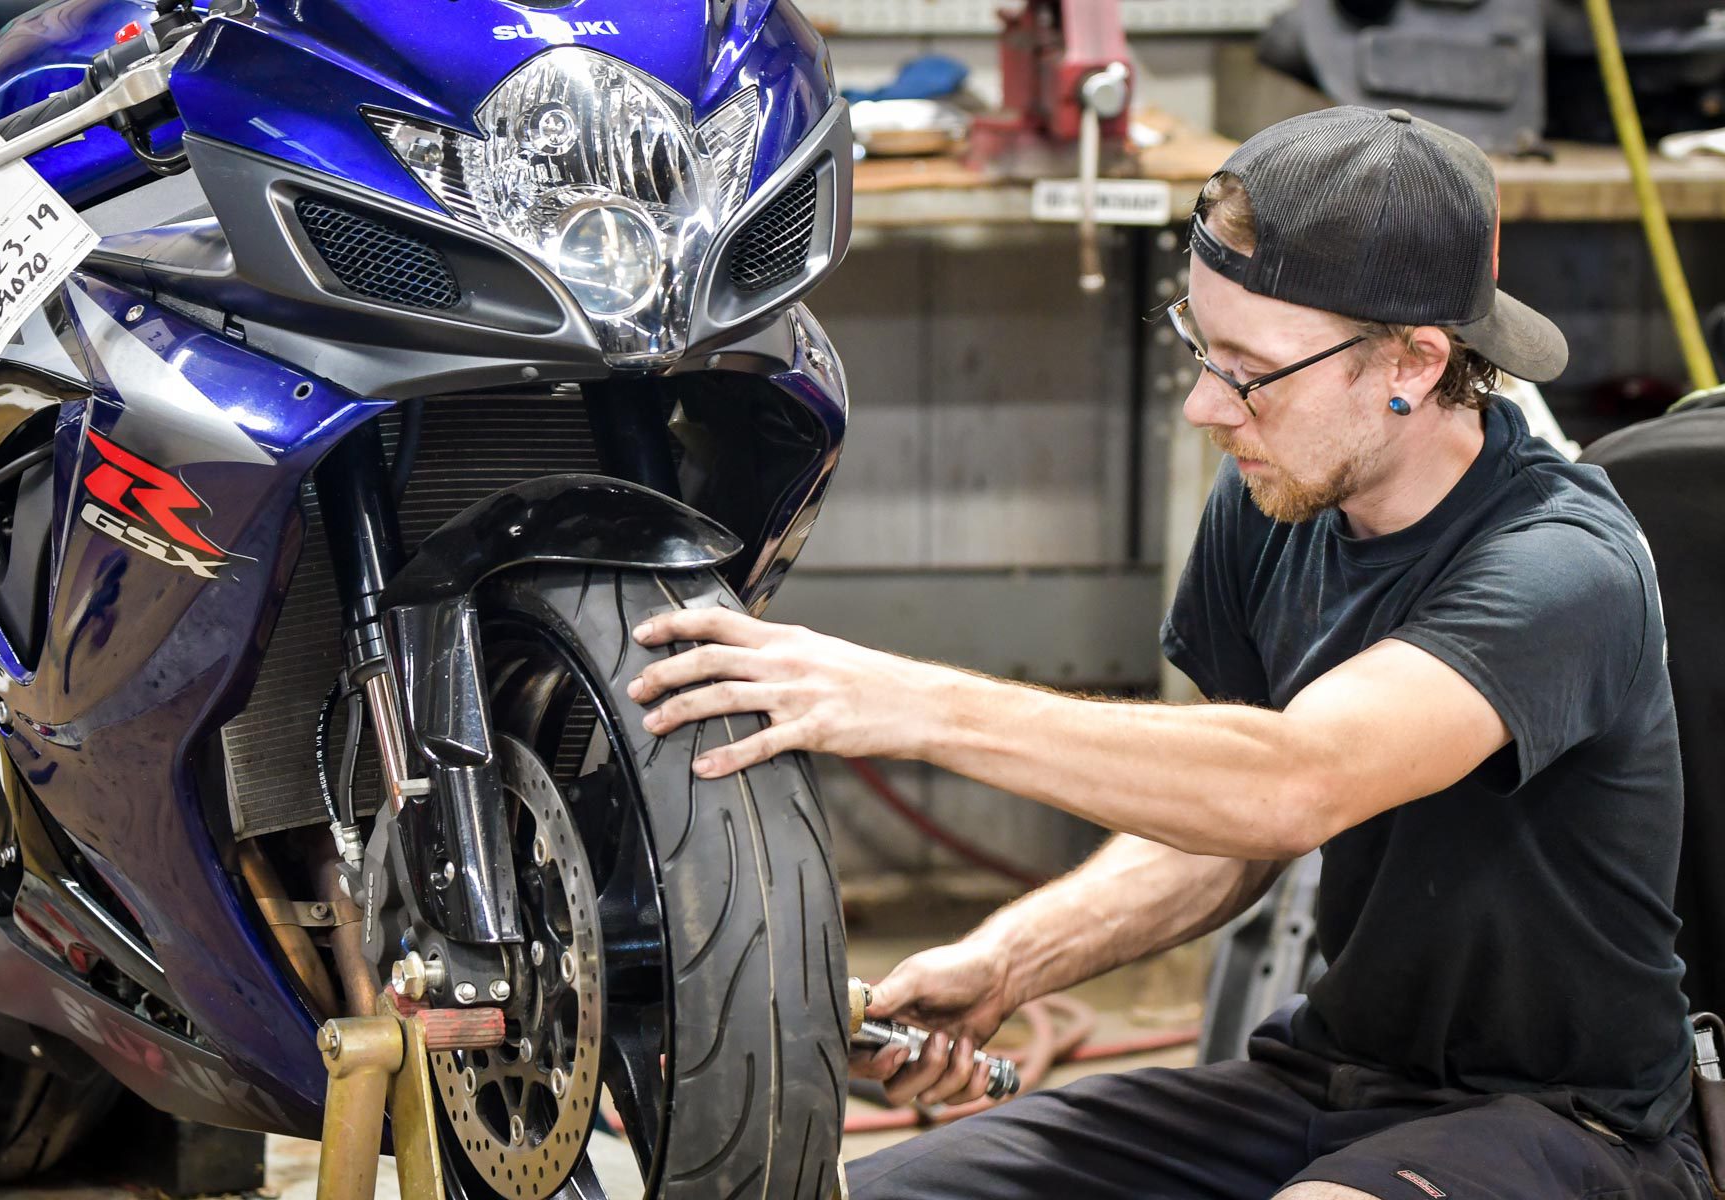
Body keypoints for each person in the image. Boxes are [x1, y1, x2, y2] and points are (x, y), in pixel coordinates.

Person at [624, 106, 1710, 1198]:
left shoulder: (1560, 566)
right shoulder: (1274, 502)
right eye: (1199, 344)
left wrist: (909, 702)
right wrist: (1009, 960)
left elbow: (1292, 783)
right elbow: (1219, 833)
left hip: (1568, 1126)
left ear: (1414, 364)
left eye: (1247, 369)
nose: (1203, 404)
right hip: (1329, 1081)